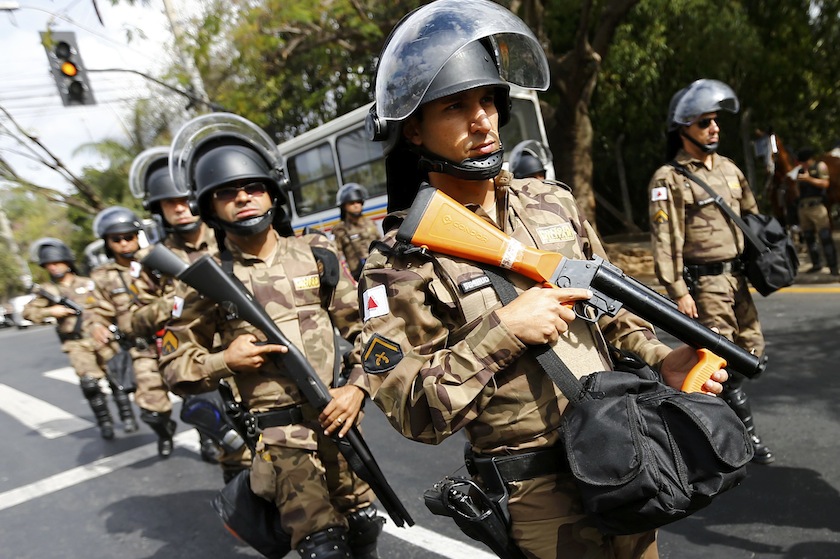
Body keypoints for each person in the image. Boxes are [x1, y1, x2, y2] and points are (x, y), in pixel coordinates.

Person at [359, 1, 728, 557]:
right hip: (536, 494)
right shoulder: (396, 262)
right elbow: (413, 410)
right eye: (455, 107)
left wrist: (660, 360)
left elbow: (610, 309)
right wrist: (504, 328)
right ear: (413, 129)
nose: (481, 120)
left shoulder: (552, 204)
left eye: (487, 100)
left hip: (625, 455)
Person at [159, 112, 384, 558]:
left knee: (363, 525)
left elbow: (371, 332)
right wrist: (227, 360)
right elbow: (173, 366)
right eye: (227, 192)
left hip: (338, 419)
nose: (242, 198)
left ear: (272, 195)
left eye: (253, 187)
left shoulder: (319, 257)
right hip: (281, 442)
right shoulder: (203, 281)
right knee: (323, 545)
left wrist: (357, 390)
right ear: (210, 207)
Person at [647, 78, 774, 465]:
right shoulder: (668, 179)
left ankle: (724, 435)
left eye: (716, 120)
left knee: (751, 352)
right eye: (705, 122)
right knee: (721, 359)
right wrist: (677, 291)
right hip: (705, 284)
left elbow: (751, 218)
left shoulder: (731, 170)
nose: (714, 128)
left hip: (737, 280)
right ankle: (739, 441)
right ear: (683, 128)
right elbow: (665, 239)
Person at [128, 146, 252, 474]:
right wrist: (177, 302)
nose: (180, 209)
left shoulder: (230, 238)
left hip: (242, 347)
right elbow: (134, 320)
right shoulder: (152, 263)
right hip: (191, 357)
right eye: (171, 203)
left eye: (185, 200)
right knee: (232, 450)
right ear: (159, 209)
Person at [84, 206, 177, 457]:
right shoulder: (103, 276)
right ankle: (165, 432)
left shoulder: (157, 259)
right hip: (140, 347)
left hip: (173, 339)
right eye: (117, 239)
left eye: (129, 237)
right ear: (107, 243)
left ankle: (208, 441)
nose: (124, 243)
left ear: (138, 236)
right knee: (151, 408)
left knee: (199, 396)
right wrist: (97, 325)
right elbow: (95, 310)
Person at [22, 237, 134, 440]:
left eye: (57, 262)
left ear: (67, 261)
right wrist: (51, 311)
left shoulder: (88, 283)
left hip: (101, 337)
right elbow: (28, 313)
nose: (53, 267)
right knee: (89, 384)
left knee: (116, 379)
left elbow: (110, 303)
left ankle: (127, 417)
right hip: (76, 343)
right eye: (49, 265)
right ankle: (105, 423)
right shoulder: (48, 292)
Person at [795, 147, 838, 275]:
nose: (802, 164)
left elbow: (825, 183)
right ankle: (816, 264)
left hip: (817, 206)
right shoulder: (801, 171)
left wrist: (809, 179)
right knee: (809, 237)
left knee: (825, 236)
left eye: (804, 161)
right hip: (803, 207)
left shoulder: (819, 166)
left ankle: (833, 267)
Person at [331, 182, 380, 280]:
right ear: (344, 206)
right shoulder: (339, 229)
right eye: (352, 203)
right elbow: (338, 257)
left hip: (378, 270)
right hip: (357, 277)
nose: (356, 205)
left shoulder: (371, 224)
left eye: (358, 202)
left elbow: (382, 245)